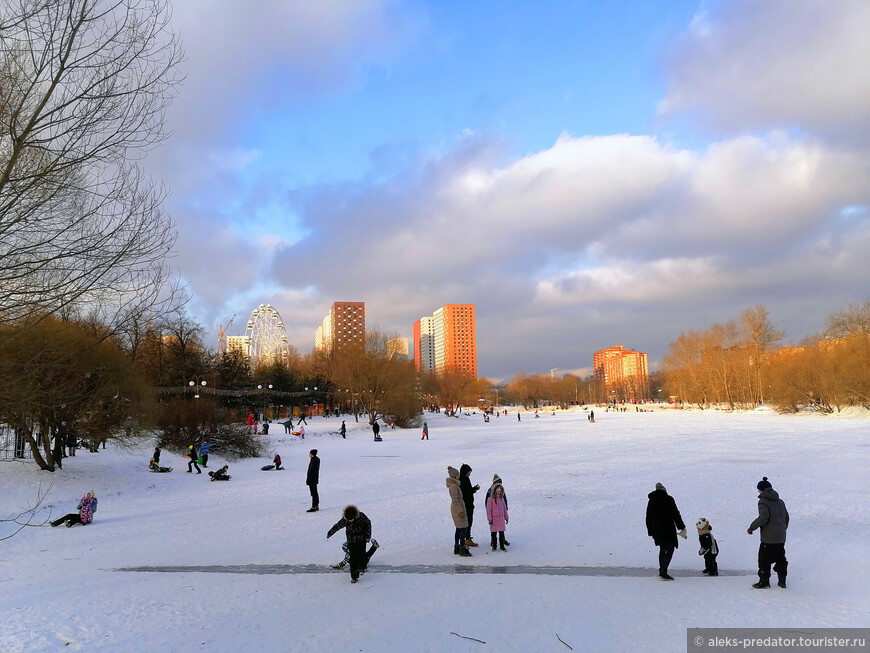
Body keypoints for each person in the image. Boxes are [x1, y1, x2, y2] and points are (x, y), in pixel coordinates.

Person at [747, 476, 789, 589]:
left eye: (758, 489)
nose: (758, 491)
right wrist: (782, 530)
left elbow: (763, 518)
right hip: (780, 537)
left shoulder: (763, 501)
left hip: (768, 538)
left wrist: (752, 527)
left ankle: (764, 582)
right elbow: (786, 517)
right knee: (780, 558)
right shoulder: (780, 501)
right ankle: (782, 581)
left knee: (764, 560)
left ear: (762, 490)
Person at [326, 505, 378, 583]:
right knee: (353, 558)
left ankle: (372, 551)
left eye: (351, 519)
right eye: (348, 520)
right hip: (351, 541)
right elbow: (338, 526)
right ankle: (354, 577)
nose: (350, 521)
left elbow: (368, 524)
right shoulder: (345, 519)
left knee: (362, 557)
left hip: (361, 540)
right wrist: (330, 532)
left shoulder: (361, 516)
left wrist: (367, 536)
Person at [646, 482, 687, 580]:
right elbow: (675, 514)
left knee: (662, 548)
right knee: (670, 548)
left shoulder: (651, 501)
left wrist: (650, 531)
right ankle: (663, 570)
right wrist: (681, 527)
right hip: (668, 528)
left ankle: (662, 570)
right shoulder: (669, 499)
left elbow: (648, 517)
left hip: (656, 530)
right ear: (664, 490)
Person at [446, 466, 472, 557]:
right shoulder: (453, 486)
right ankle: (462, 549)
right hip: (458, 510)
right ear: (455, 476)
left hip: (457, 509)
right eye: (458, 475)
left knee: (459, 528)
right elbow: (455, 500)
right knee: (463, 528)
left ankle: (457, 548)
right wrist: (460, 511)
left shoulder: (455, 485)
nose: (459, 476)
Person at [458, 464, 479, 547]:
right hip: (465, 506)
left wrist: (473, 489)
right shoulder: (461, 480)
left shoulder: (467, 479)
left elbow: (468, 491)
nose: (469, 474)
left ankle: (468, 538)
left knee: (470, 523)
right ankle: (464, 540)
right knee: (465, 524)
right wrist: (471, 491)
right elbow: (463, 494)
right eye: (468, 472)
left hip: (470, 505)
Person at [486, 483, 509, 551]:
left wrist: (506, 517)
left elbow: (504, 509)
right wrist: (490, 519)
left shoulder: (502, 499)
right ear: (494, 491)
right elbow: (488, 510)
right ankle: (494, 546)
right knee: (493, 533)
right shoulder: (490, 499)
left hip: (501, 519)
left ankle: (502, 546)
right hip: (494, 519)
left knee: (501, 533)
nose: (499, 493)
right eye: (497, 491)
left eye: (500, 491)